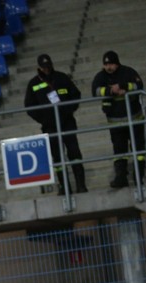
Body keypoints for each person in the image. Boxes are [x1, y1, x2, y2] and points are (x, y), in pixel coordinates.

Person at [24, 54, 88, 195]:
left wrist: (69, 110)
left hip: (67, 123)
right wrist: (43, 119)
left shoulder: (61, 77)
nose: (47, 69)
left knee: (74, 153)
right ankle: (64, 187)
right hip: (50, 126)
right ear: (39, 67)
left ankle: (81, 185)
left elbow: (75, 94)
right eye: (44, 67)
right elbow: (29, 106)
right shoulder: (33, 84)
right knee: (57, 157)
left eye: (48, 66)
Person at [91, 50, 146, 189]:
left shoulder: (128, 72)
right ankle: (121, 178)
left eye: (111, 64)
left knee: (139, 151)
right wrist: (110, 91)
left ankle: (139, 177)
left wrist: (123, 86)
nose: (108, 67)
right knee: (119, 152)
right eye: (106, 64)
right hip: (115, 123)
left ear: (117, 63)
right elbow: (95, 91)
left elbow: (139, 86)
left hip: (134, 120)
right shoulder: (100, 76)